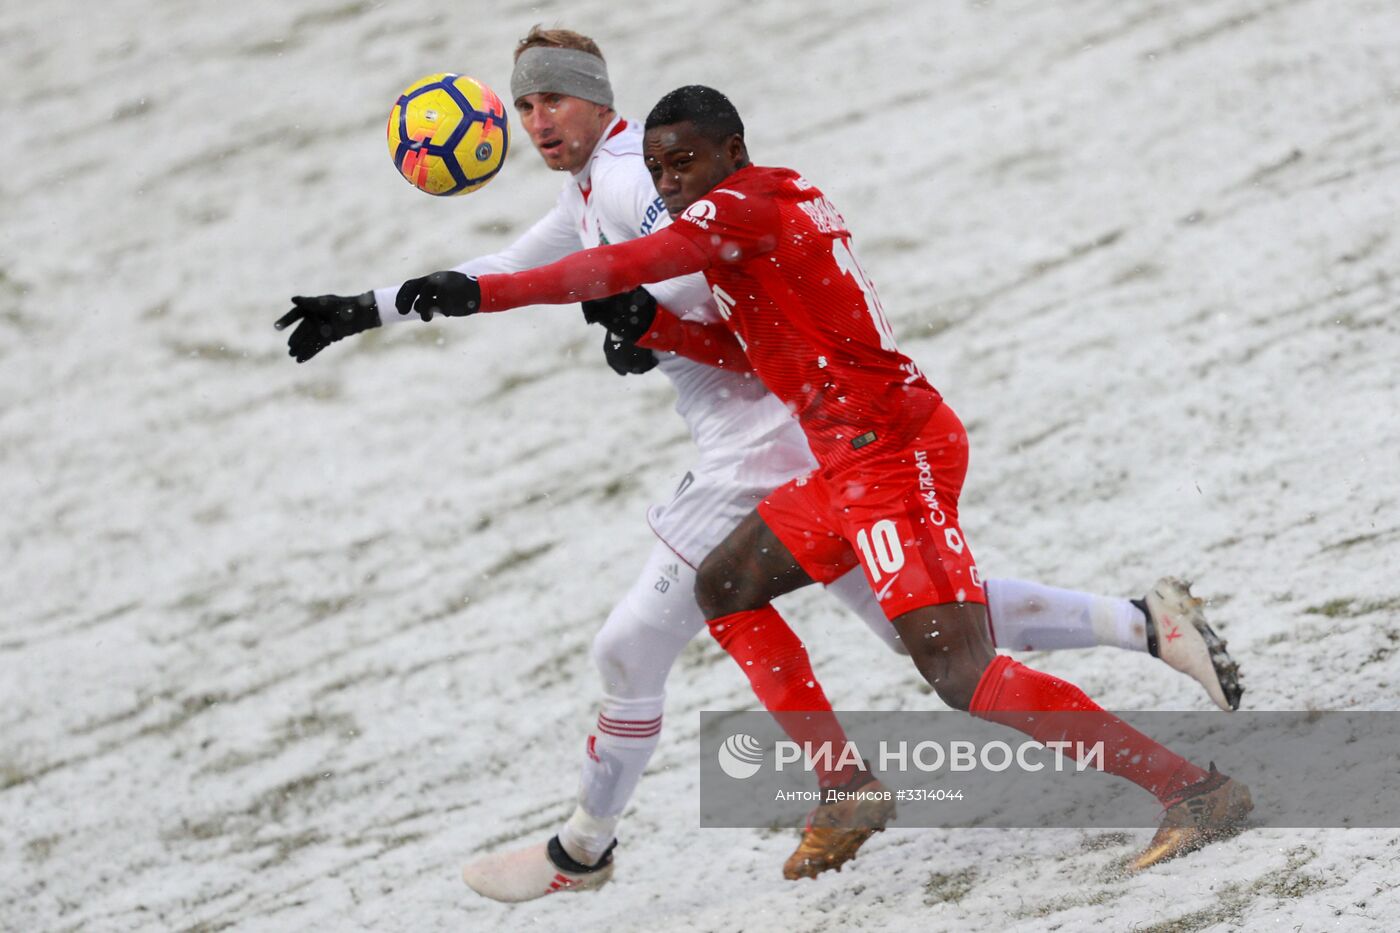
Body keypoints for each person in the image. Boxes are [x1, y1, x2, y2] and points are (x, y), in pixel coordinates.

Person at [280, 52, 1241, 893]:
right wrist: (651, 329)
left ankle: (1192, 789)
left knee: (956, 668)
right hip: (846, 458)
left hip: (890, 455)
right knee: (727, 584)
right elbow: (744, 342)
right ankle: (864, 773)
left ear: (732, 147)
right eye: (662, 172)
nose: (674, 185)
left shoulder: (741, 206)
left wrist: (471, 292)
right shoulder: (741, 214)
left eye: (686, 164)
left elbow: (601, 266)